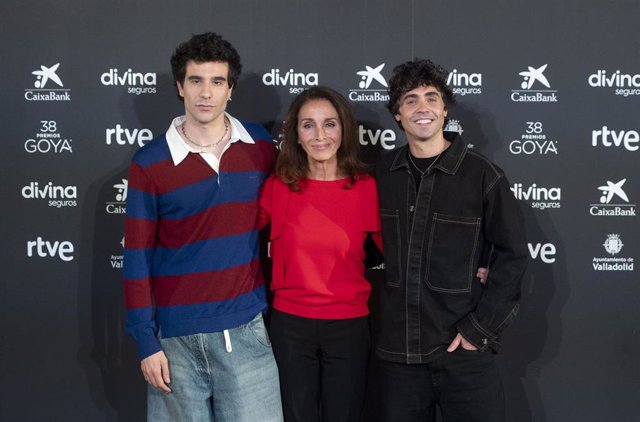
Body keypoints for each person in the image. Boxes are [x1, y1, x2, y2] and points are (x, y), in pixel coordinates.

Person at [122, 32, 283, 422]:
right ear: (180, 87)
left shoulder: (259, 146)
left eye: (216, 81)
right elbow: (136, 259)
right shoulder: (150, 162)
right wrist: (146, 341)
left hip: (247, 332)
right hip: (175, 342)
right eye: (195, 81)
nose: (205, 93)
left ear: (231, 89)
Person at [372, 58, 528, 422]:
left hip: (463, 354)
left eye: (431, 97)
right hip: (399, 358)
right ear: (397, 114)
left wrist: (479, 331)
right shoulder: (380, 176)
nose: (421, 107)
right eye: (410, 100)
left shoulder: (482, 175)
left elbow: (513, 256)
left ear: (444, 109)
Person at [259, 86, 381, 422]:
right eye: (308, 125)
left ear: (344, 130)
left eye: (329, 124)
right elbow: (232, 236)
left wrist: (468, 266)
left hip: (349, 326)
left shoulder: (367, 188)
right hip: (290, 325)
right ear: (295, 134)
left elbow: (403, 252)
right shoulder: (278, 187)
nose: (319, 135)